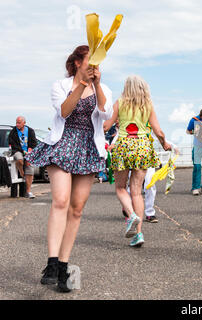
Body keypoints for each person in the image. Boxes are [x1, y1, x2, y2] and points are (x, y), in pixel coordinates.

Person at [25, 45, 113, 292]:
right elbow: (64, 111)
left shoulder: (102, 88)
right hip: (63, 143)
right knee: (61, 201)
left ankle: (63, 266)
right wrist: (83, 85)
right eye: (90, 62)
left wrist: (96, 85)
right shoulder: (60, 86)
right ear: (77, 63)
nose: (94, 67)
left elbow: (106, 114)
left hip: (88, 146)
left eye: (98, 64)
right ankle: (52, 263)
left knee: (76, 208)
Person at [108, 75, 171, 247]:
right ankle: (139, 234)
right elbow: (158, 131)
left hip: (124, 146)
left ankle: (131, 215)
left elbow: (106, 126)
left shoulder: (119, 103)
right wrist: (164, 143)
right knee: (137, 191)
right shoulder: (148, 105)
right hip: (143, 147)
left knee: (121, 187)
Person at [8, 116, 37, 199]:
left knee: (30, 170)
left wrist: (29, 153)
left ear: (24, 123)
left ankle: (28, 192)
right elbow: (12, 143)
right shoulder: (13, 132)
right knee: (20, 159)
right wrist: (22, 151)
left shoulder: (30, 131)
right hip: (17, 151)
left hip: (28, 151)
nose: (17, 124)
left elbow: (34, 143)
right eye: (16, 122)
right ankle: (21, 170)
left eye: (19, 123)